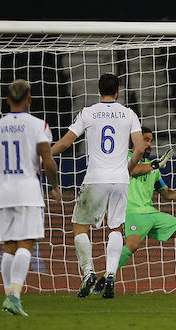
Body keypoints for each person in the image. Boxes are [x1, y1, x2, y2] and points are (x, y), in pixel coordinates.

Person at [51, 73, 145, 298]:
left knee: (80, 226)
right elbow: (140, 148)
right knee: (115, 229)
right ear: (118, 90)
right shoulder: (128, 113)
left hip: (95, 178)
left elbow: (66, 142)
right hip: (120, 179)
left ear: (98, 89)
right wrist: (128, 167)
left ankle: (89, 272)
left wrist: (44, 155)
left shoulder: (88, 112)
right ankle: (110, 275)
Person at [91, 127, 176, 294]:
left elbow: (166, 194)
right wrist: (154, 164)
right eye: (145, 140)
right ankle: (104, 279)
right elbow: (132, 170)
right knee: (132, 245)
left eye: (150, 141)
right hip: (131, 212)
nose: (149, 144)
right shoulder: (123, 158)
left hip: (151, 213)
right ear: (135, 141)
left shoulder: (153, 168)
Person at [0, 79, 61, 316]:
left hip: (5, 191)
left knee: (9, 246)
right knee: (27, 243)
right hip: (28, 191)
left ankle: (8, 298)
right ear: (29, 99)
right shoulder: (38, 125)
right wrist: (55, 187)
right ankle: (14, 297)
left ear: (7, 99)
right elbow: (47, 159)